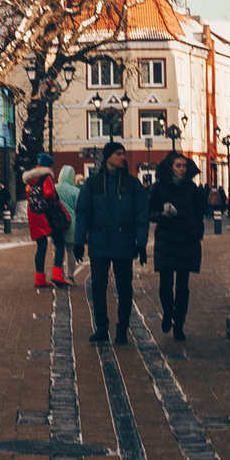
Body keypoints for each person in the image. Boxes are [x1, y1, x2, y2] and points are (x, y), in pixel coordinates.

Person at [72, 141, 149, 345]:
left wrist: (141, 244)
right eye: (118, 153)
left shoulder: (132, 184)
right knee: (98, 287)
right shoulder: (93, 184)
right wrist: (78, 241)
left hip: (124, 243)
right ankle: (101, 328)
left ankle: (122, 329)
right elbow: (83, 213)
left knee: (124, 288)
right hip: (99, 243)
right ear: (108, 158)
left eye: (123, 153)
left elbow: (141, 216)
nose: (123, 157)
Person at [152, 152, 208, 340]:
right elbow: (149, 212)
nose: (182, 169)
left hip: (186, 241)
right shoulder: (159, 188)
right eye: (178, 166)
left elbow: (199, 213)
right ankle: (168, 313)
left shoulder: (192, 189)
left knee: (183, 286)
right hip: (166, 240)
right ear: (170, 167)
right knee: (165, 284)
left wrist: (197, 233)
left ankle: (179, 323)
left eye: (184, 166)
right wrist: (162, 215)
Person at [24, 165, 70, 288]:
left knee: (41, 247)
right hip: (48, 216)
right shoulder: (46, 177)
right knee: (60, 243)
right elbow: (49, 193)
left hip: (34, 216)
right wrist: (54, 200)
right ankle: (57, 275)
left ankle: (39, 279)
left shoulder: (30, 180)